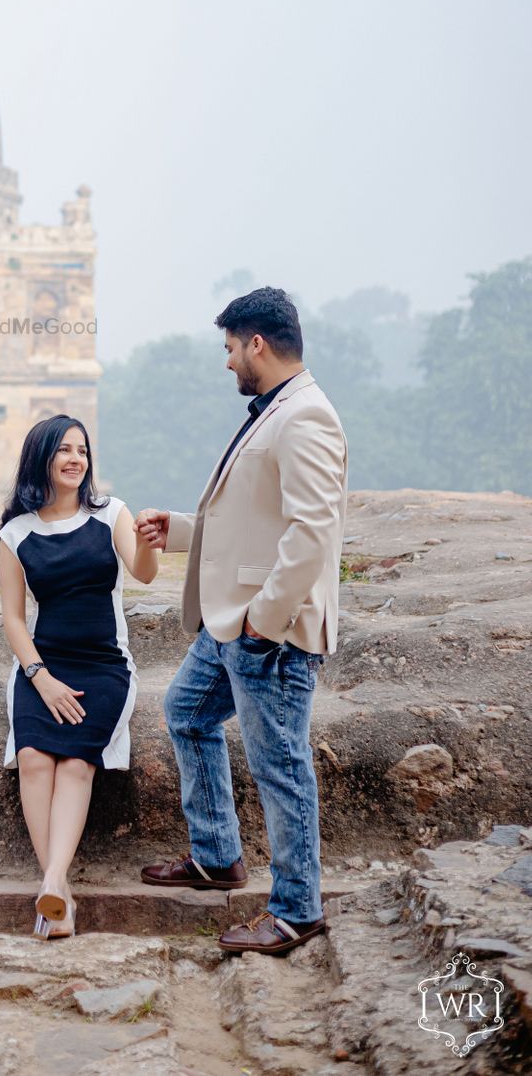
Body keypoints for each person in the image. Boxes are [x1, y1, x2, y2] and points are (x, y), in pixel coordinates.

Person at [136, 286, 347, 956]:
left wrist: (265, 620)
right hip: (237, 622)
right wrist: (182, 532)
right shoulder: (278, 412)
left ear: (256, 343)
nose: (228, 362)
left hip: (266, 633)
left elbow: (312, 531)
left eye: (231, 348)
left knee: (280, 766)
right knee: (187, 713)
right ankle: (218, 856)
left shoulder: (305, 416)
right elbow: (256, 520)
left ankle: (296, 912)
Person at [0, 414, 158, 939]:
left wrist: (152, 541)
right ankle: (58, 895)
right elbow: (14, 621)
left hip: (103, 665)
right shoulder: (15, 533)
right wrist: (40, 677)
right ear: (41, 458)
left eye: (82, 451)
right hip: (42, 665)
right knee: (34, 761)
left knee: (75, 765)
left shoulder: (110, 513)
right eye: (63, 450)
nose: (75, 459)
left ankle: (53, 888)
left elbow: (144, 571)